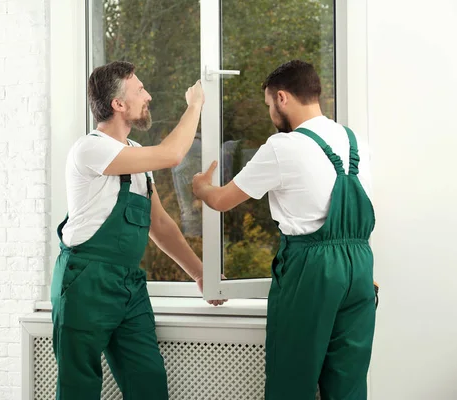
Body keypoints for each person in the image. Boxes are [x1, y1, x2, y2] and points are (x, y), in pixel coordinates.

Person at [192, 60, 376, 400]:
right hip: (360, 268)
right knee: (348, 383)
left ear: (282, 98)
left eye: (268, 106)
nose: (270, 115)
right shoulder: (355, 142)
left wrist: (201, 187)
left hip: (312, 270)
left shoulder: (283, 146)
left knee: (292, 379)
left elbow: (221, 201)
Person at [50, 60, 225, 400]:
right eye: (139, 90)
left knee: (148, 385)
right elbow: (173, 154)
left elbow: (159, 225)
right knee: (78, 390)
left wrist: (201, 273)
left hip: (129, 287)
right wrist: (195, 104)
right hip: (87, 282)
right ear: (118, 104)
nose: (148, 97)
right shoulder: (90, 149)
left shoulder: (136, 157)